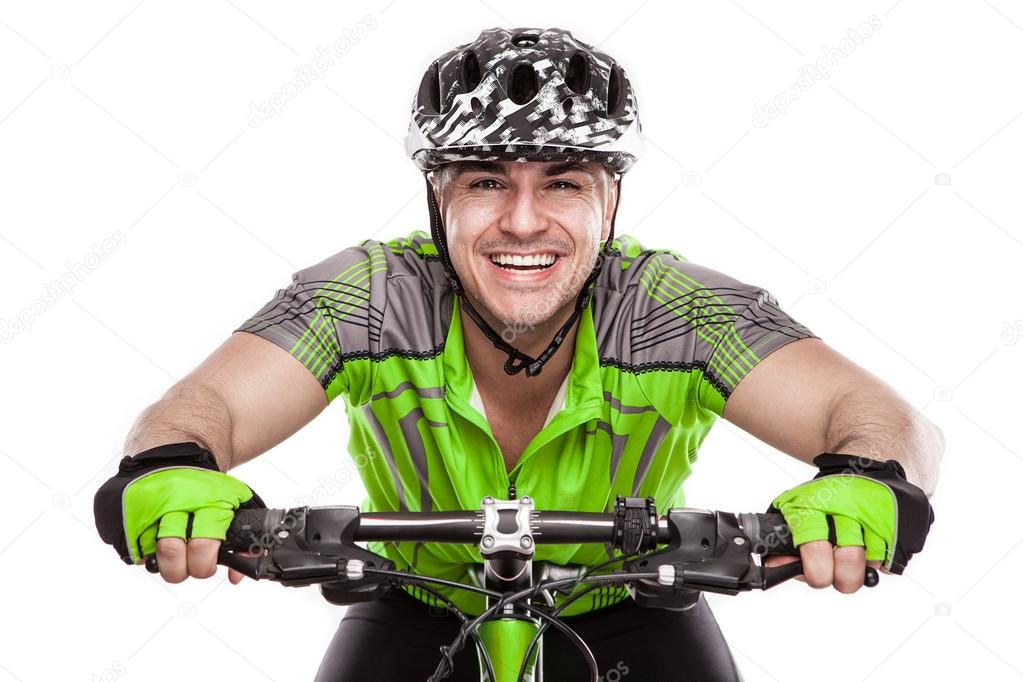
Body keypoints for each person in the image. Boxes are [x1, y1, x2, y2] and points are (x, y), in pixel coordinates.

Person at [94, 28, 941, 681]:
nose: (525, 222)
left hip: (634, 603)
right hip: (415, 602)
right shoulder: (368, 294)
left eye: (563, 181)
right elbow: (206, 406)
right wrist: (173, 465)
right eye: (487, 180)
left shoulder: (670, 307)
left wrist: (864, 478)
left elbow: (879, 417)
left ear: (610, 198)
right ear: (438, 195)